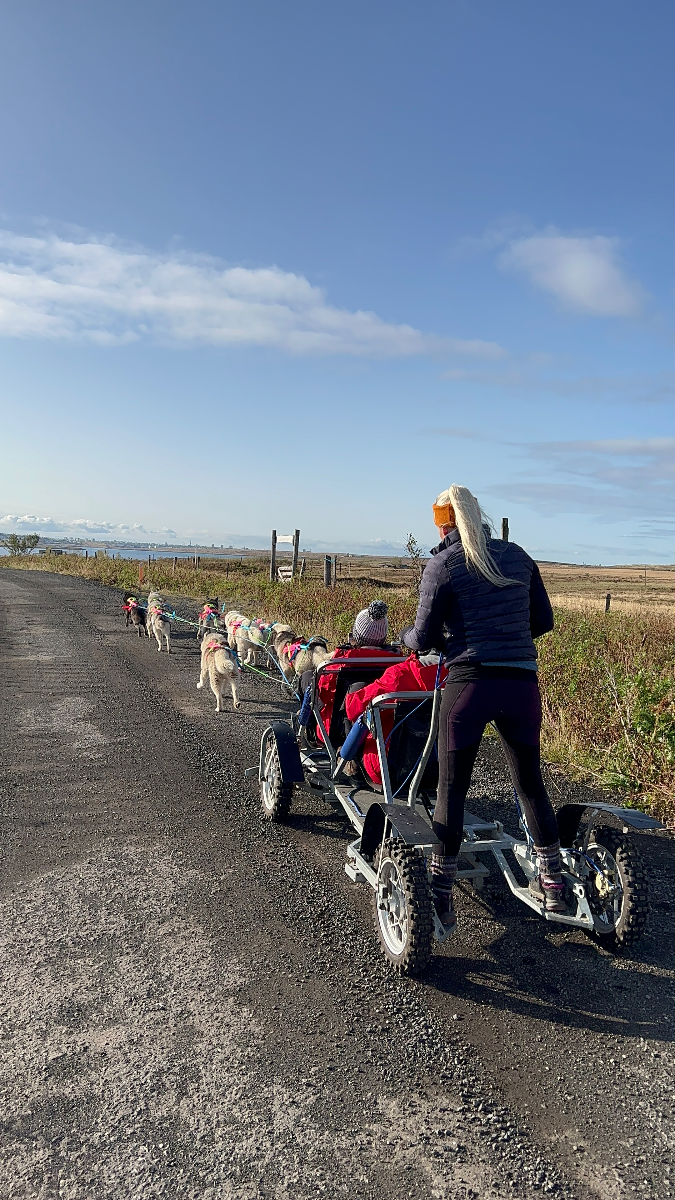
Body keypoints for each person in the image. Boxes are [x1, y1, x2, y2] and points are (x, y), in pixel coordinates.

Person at [403, 484, 559, 932]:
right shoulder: (518, 556)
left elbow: (426, 635)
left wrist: (408, 642)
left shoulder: (443, 564)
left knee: (452, 788)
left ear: (442, 521)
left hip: (469, 685)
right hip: (521, 686)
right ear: (480, 516)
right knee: (530, 783)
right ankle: (553, 882)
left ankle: (441, 895)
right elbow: (543, 622)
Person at [344, 650, 448, 786]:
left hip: (388, 767)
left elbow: (354, 710)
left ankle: (351, 764)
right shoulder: (464, 678)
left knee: (357, 710)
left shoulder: (399, 674)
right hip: (443, 767)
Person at [313, 601, 397, 742]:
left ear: (356, 636)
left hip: (336, 732)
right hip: (388, 731)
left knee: (308, 681)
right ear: (383, 636)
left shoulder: (339, 662)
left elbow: (323, 696)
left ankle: (308, 732)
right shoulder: (397, 661)